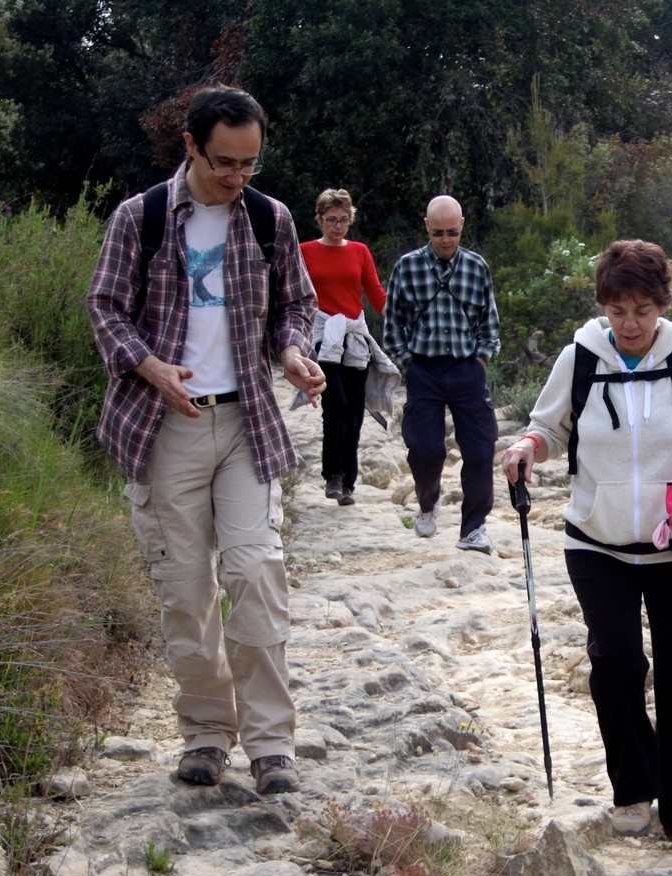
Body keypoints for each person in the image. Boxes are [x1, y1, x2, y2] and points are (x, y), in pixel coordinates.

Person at [87, 85, 325, 794]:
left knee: (256, 573)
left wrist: (292, 351)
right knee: (185, 592)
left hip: (247, 423)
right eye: (225, 162)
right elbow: (104, 306)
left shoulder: (270, 218)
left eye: (250, 163)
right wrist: (149, 366)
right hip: (165, 427)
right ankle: (206, 732)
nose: (237, 176)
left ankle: (271, 743)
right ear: (191, 146)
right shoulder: (141, 218)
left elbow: (297, 303)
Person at [500, 239, 672, 853]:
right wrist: (527, 447)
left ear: (663, 304)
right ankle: (633, 789)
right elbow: (549, 428)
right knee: (615, 665)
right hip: (597, 542)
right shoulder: (579, 359)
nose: (630, 324)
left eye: (642, 310)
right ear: (603, 307)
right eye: (618, 311)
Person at [383, 195, 501, 553]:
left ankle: (473, 529)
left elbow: (490, 322)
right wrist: (409, 362)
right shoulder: (407, 267)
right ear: (426, 227)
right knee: (424, 448)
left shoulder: (477, 267)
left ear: (462, 225)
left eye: (452, 232)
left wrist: (481, 359)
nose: (446, 239)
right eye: (438, 233)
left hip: (467, 369)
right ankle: (427, 500)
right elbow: (392, 323)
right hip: (424, 369)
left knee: (480, 448)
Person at [300, 188, 387, 506]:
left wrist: (403, 313)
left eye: (344, 220)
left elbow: (375, 294)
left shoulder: (360, 251)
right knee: (335, 403)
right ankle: (333, 475)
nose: (338, 226)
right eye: (332, 220)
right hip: (323, 337)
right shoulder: (305, 251)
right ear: (320, 219)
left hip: (354, 337)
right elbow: (295, 294)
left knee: (354, 410)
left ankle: (348, 482)